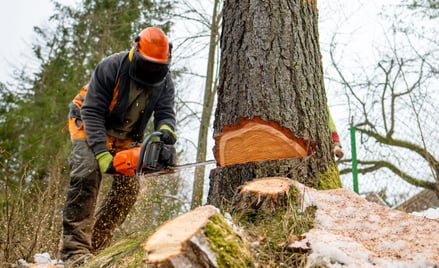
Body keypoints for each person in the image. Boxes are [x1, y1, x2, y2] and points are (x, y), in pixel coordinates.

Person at [60, 26, 177, 266]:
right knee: (87, 172)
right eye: (148, 64)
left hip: (125, 134)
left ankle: (94, 246)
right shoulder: (111, 66)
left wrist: (166, 131)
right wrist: (102, 154)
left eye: (158, 66)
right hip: (89, 121)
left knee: (128, 190)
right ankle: (73, 251)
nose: (153, 70)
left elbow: (165, 113)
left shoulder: (165, 82)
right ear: (136, 51)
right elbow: (91, 112)